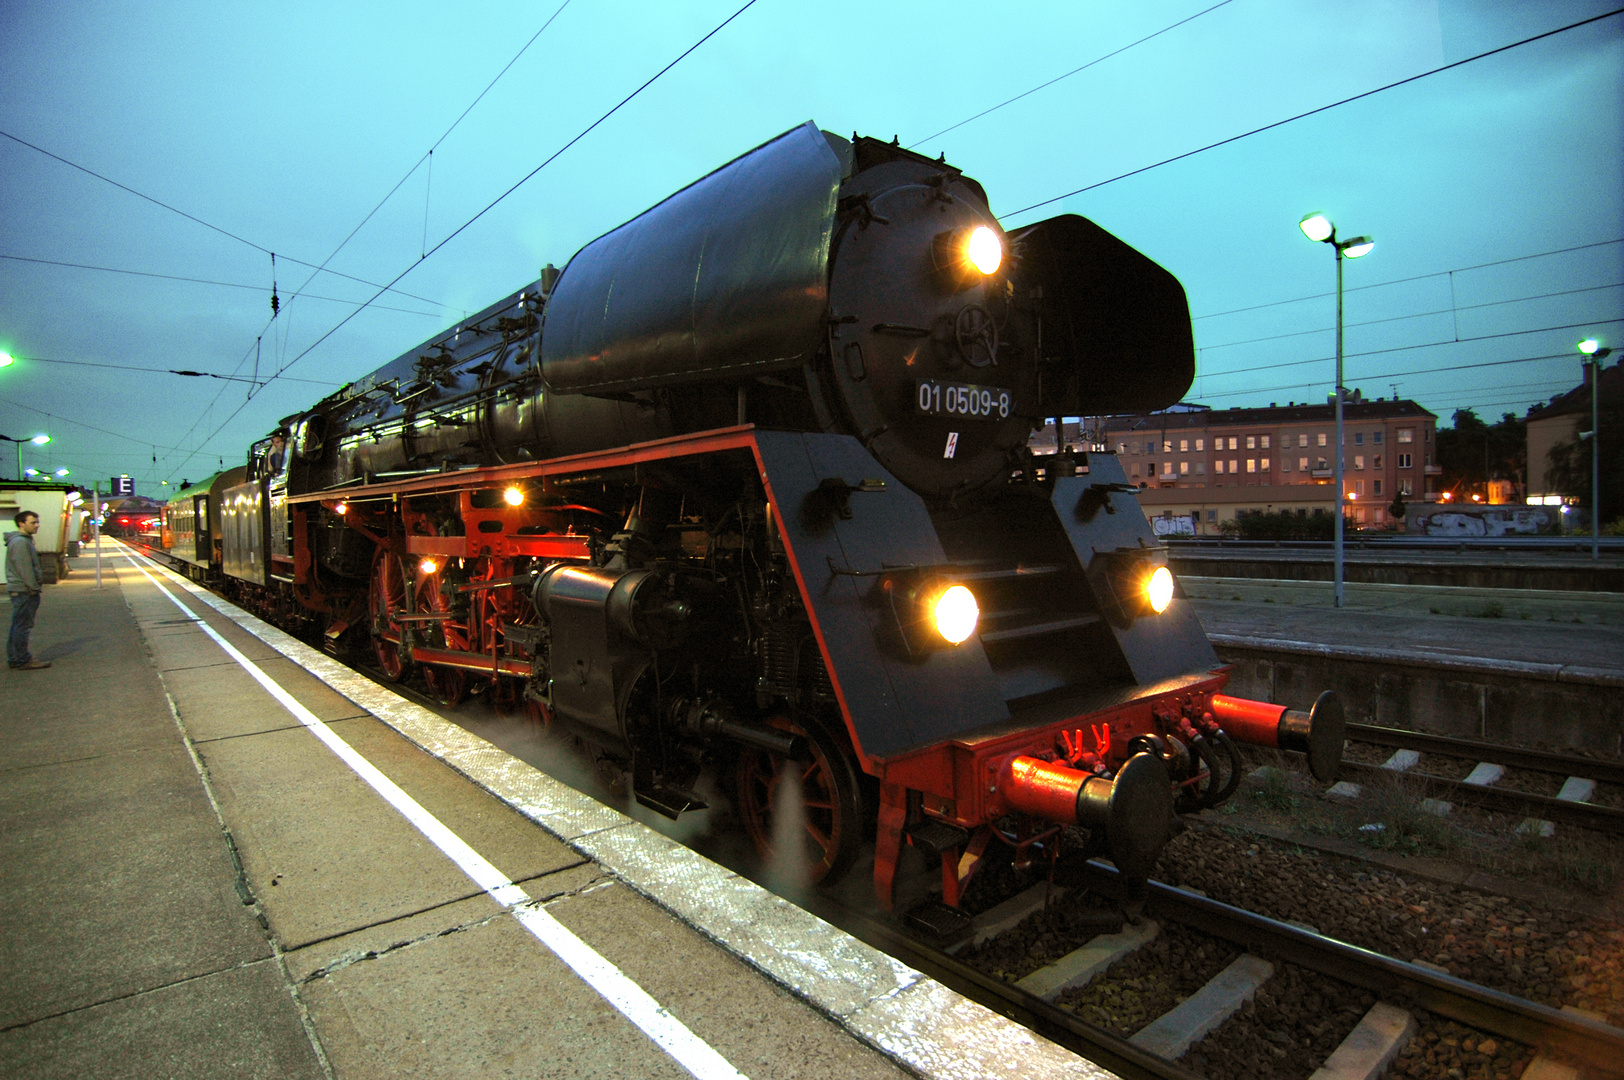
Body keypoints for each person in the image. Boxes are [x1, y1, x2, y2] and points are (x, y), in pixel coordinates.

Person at [7, 510, 50, 670]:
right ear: (21, 523)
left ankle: (15, 658)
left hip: (21, 589)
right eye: (33, 522)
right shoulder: (20, 543)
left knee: (17, 625)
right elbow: (25, 569)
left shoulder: (22, 541)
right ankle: (22, 660)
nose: (37, 525)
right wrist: (33, 588)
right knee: (23, 626)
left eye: (37, 522)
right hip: (24, 590)